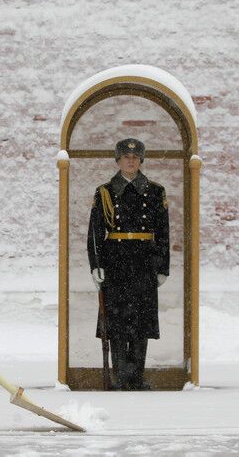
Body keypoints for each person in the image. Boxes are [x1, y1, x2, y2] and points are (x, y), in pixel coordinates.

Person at [87, 138, 169, 390]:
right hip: (116, 262)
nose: (130, 161)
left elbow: (164, 232)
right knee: (117, 323)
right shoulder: (105, 192)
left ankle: (137, 378)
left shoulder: (155, 191)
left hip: (144, 262)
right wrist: (96, 264)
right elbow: (94, 232)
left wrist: (163, 266)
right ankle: (120, 377)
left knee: (141, 324)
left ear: (141, 160)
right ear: (118, 160)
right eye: (125, 157)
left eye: (135, 157)